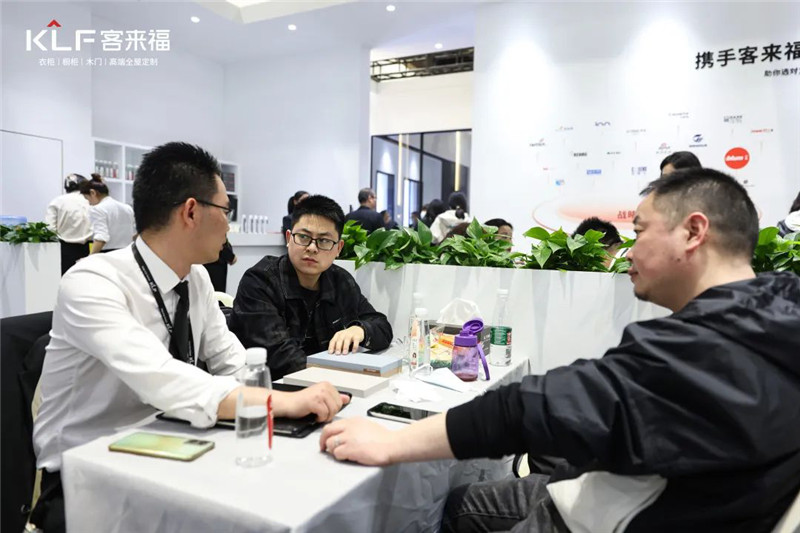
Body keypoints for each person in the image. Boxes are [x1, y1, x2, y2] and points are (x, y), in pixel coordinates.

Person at [319, 167, 800, 532]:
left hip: (609, 513)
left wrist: (390, 443)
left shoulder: (700, 348)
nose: (629, 251)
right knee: (465, 498)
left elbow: (533, 407)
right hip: (640, 484)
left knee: (454, 505)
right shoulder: (778, 313)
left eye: (639, 232)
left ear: (693, 232)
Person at [31, 143, 347, 533]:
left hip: (175, 449)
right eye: (226, 211)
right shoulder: (93, 281)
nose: (228, 226)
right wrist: (281, 401)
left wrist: (287, 402)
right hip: (87, 476)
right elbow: (162, 377)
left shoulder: (195, 278)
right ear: (192, 212)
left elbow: (233, 361)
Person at [230, 195, 393, 380]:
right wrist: (335, 377)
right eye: (304, 237)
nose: (312, 248)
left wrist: (360, 330)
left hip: (325, 384)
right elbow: (280, 357)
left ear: (338, 248)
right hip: (272, 389)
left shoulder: (340, 280)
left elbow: (382, 326)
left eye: (324, 241)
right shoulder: (260, 282)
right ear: (289, 238)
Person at [45, 173, 93, 275]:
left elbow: (49, 229)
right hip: (90, 248)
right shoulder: (90, 201)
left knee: (66, 278)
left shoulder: (56, 201)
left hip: (64, 249)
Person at [79, 174, 136, 253]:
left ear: (93, 193)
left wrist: (90, 257)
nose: (89, 203)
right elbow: (137, 232)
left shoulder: (97, 209)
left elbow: (101, 238)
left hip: (108, 254)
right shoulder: (127, 208)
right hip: (128, 253)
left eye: (87, 198)